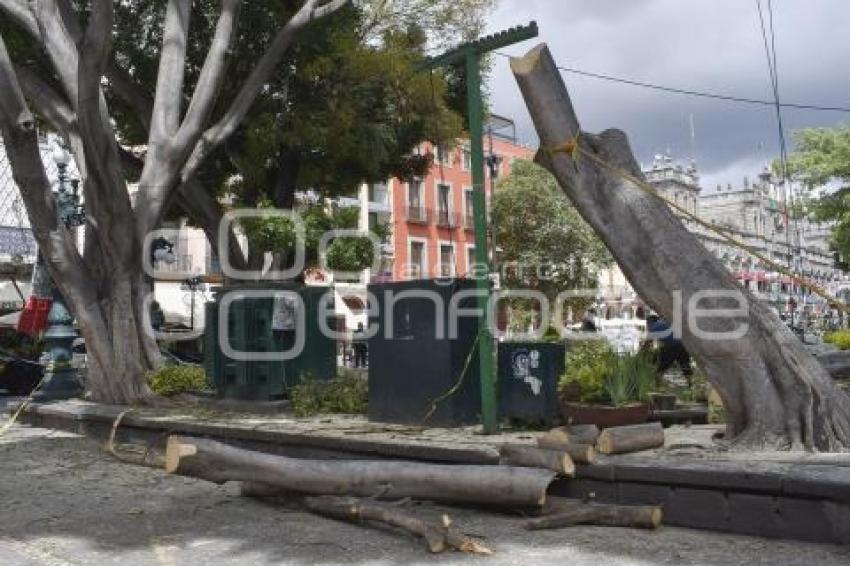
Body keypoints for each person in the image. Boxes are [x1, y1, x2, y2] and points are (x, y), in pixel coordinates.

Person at [645, 313, 693, 385]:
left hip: (672, 346)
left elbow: (647, 345)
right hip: (683, 344)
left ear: (649, 322)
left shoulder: (653, 327)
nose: (647, 325)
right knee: (685, 364)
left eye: (647, 323)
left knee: (662, 365)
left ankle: (657, 383)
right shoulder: (663, 323)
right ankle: (690, 383)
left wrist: (641, 355)